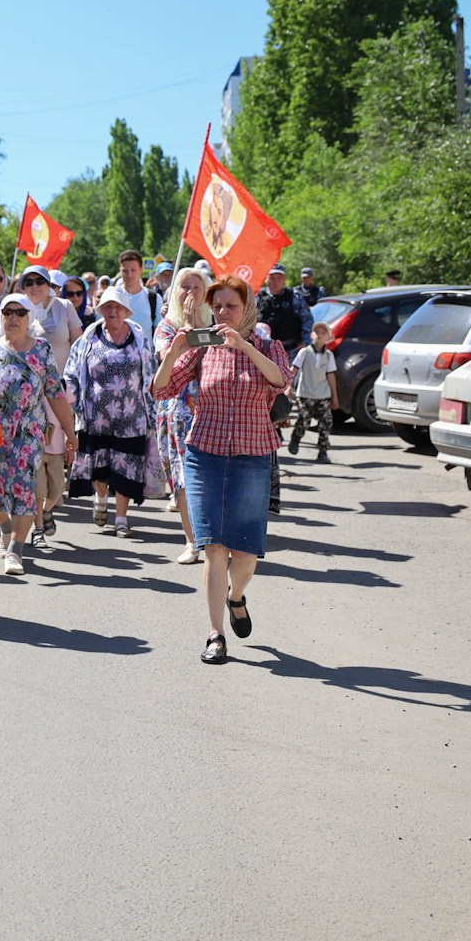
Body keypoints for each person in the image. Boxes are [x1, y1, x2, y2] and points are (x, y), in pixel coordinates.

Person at [151, 274, 290, 665]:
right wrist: (175, 349)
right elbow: (160, 390)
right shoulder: (201, 350)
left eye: (231, 305)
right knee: (213, 547)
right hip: (205, 455)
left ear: (247, 309)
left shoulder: (266, 345)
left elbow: (280, 381)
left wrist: (244, 345)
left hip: (251, 455)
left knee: (245, 553)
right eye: (218, 306)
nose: (223, 312)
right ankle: (215, 635)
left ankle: (236, 596)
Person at [0, 292, 77, 577]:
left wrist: (70, 432)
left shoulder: (42, 351)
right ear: (0, 315)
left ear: (29, 317)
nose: (13, 317)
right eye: (7, 312)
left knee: (24, 492)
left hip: (28, 434)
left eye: (19, 312)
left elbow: (55, 394)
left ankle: (15, 550)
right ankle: (5, 527)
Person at [65, 285, 154, 539]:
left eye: (117, 307)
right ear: (101, 310)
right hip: (96, 416)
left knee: (126, 468)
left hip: (131, 416)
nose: (112, 311)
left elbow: (150, 374)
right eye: (107, 307)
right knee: (100, 467)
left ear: (126, 311)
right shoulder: (90, 338)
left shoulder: (139, 339)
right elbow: (72, 370)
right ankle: (101, 496)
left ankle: (122, 518)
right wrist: (67, 395)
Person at [154, 265, 213, 565]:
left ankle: (213, 541)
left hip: (213, 410)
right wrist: (187, 325)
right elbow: (169, 359)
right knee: (182, 476)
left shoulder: (218, 322)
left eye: (196, 287)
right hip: (177, 412)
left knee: (210, 477)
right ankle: (192, 541)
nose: (190, 293)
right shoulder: (166, 325)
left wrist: (199, 322)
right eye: (184, 287)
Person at [288, 320, 340, 464]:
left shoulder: (329, 355)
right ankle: (296, 437)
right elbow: (294, 370)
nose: (319, 335)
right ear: (312, 335)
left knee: (326, 423)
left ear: (328, 338)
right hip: (305, 393)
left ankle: (323, 451)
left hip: (323, 395)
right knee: (304, 420)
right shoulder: (305, 352)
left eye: (323, 333)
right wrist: (288, 386)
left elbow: (330, 375)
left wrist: (334, 396)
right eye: (317, 332)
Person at [18, 264, 84, 370]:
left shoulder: (65, 306)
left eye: (39, 281)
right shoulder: (16, 309)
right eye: (29, 283)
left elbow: (79, 345)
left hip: (62, 380)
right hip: (28, 382)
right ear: (24, 288)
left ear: (48, 285)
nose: (34, 286)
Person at [254, 265, 309, 353]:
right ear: (266, 279)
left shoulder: (294, 297)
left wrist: (306, 342)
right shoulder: (257, 298)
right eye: (272, 278)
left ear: (284, 279)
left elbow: (307, 319)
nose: (275, 282)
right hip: (262, 351)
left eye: (279, 278)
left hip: (290, 350)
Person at [113, 250, 162, 342]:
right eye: (125, 270)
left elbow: (160, 331)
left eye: (133, 270)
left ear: (141, 269)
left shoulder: (153, 298)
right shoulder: (113, 297)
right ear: (120, 270)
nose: (129, 275)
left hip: (146, 354)